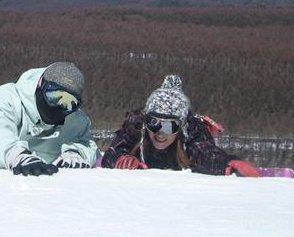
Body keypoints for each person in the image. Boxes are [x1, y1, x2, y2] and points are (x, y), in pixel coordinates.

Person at [101, 75, 260, 176]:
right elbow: (112, 153)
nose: (160, 133)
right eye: (153, 123)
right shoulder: (136, 125)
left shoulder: (193, 130)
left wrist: (227, 163)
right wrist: (120, 159)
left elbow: (205, 153)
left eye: (170, 126)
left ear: (181, 127)